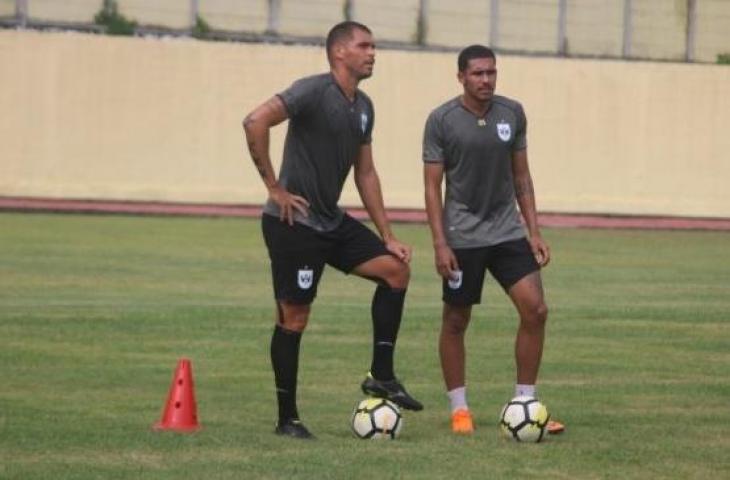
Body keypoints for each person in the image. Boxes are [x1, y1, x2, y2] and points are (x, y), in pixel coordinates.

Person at [243, 21, 423, 440]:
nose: (373, 53)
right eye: (365, 46)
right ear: (339, 52)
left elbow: (366, 172)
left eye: (374, 46)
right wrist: (274, 187)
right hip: (293, 224)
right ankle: (287, 419)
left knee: (395, 270)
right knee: (294, 317)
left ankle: (381, 375)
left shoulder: (363, 106)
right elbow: (254, 121)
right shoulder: (312, 91)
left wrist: (388, 235)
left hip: (331, 220)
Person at [422, 45, 563, 435]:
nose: (486, 80)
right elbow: (432, 188)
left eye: (492, 73)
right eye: (478, 74)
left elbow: (522, 176)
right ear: (461, 77)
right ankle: (459, 409)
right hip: (463, 236)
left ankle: (525, 403)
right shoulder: (441, 120)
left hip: (507, 231)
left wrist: (533, 230)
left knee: (535, 310)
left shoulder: (511, 113)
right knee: (456, 319)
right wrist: (440, 242)